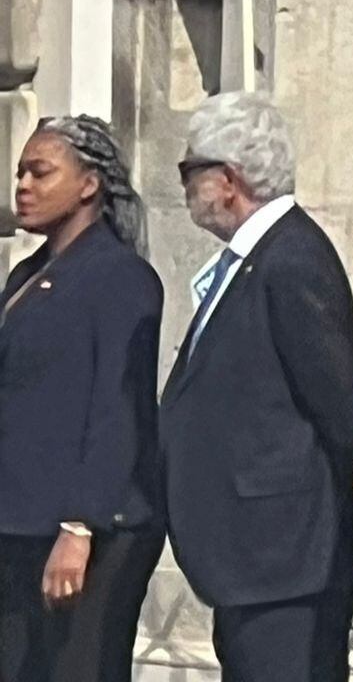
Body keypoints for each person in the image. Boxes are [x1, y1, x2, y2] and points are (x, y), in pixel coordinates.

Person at [160, 92, 353, 682]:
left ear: (228, 178)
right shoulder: (252, 260)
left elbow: (339, 401)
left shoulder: (292, 258)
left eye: (189, 171)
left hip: (284, 558)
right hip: (250, 558)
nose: (185, 189)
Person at [0, 115, 163, 682]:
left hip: (88, 529)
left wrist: (80, 526)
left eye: (40, 172)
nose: (22, 185)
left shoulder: (120, 276)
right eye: (20, 172)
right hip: (20, 520)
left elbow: (117, 406)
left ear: (89, 184)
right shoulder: (28, 272)